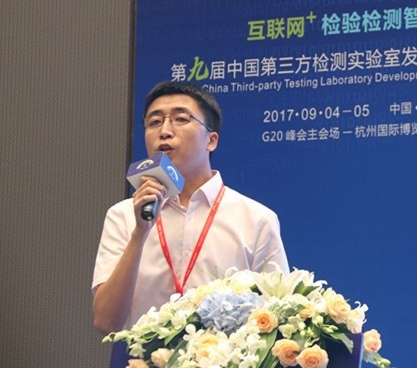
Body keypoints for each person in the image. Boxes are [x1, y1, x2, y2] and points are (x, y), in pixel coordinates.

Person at [92, 81, 289, 342]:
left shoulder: (256, 219)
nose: (164, 131)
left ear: (211, 140)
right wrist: (140, 233)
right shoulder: (124, 216)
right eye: (154, 122)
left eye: (181, 119)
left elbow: (279, 321)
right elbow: (106, 322)